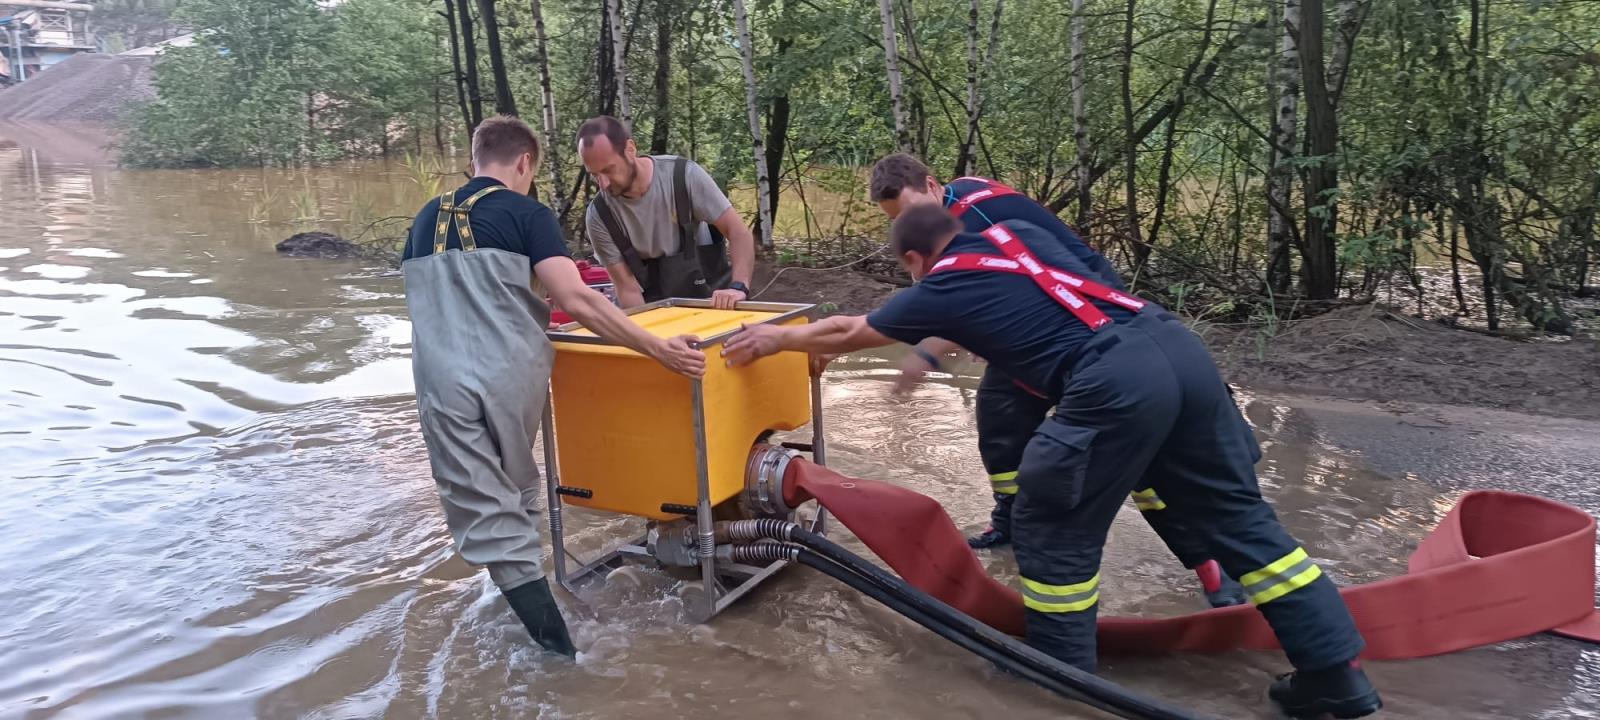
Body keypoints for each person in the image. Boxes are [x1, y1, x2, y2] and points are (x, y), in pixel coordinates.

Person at [722, 205, 1382, 719]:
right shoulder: (1013, 234)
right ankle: (1336, 674)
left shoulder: (941, 285)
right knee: (1239, 522)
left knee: (1049, 521)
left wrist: (775, 336)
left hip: (1114, 377)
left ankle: (1060, 678)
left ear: (918, 259)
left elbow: (848, 331)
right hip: (1177, 348)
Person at [868, 153, 1247, 609]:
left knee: (1141, 465)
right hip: (1042, 333)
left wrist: (929, 350)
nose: (912, 223)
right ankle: (1008, 521)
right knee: (1000, 421)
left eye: (911, 211)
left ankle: (1210, 567)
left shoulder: (981, 217)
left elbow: (984, 291)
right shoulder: (952, 210)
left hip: (1092, 335)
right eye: (898, 220)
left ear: (932, 185)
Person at [402, 115, 706, 657]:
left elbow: (448, 299)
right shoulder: (526, 212)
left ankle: (528, 614)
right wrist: (656, 347)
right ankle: (564, 657)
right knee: (518, 490)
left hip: (439, 383)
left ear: (477, 158)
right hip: (509, 376)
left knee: (486, 510)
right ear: (524, 163)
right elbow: (577, 298)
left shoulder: (425, 218)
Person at [577, 115, 755, 309]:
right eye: (595, 175)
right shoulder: (600, 216)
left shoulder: (683, 176)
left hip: (710, 301)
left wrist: (738, 287)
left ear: (630, 149)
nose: (603, 184)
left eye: (609, 170)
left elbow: (738, 232)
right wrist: (648, 337)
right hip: (650, 308)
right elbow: (628, 289)